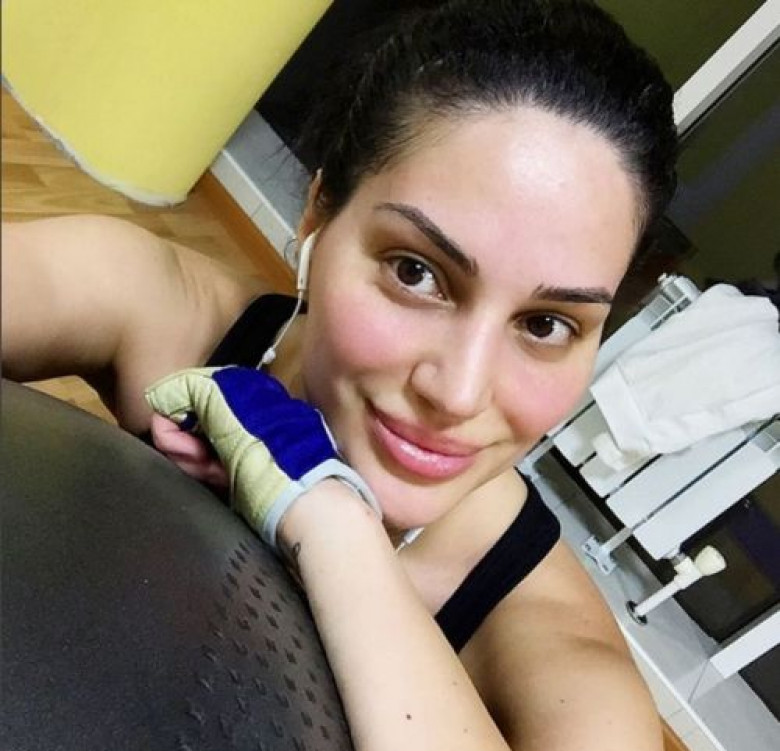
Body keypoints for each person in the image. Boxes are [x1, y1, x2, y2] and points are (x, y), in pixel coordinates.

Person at [1, 1, 679, 748]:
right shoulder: (166, 312)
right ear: (318, 215)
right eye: (416, 272)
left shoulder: (563, 655)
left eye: (546, 325)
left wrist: (332, 526)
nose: (458, 393)